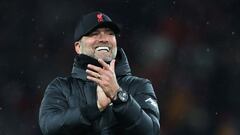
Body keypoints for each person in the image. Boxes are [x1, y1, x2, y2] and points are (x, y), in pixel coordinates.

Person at [39, 11, 160, 135]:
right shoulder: (61, 87)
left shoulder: (139, 85)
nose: (103, 39)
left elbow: (151, 131)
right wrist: (95, 108)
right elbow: (49, 127)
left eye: (110, 33)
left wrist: (119, 96)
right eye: (94, 34)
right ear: (78, 47)